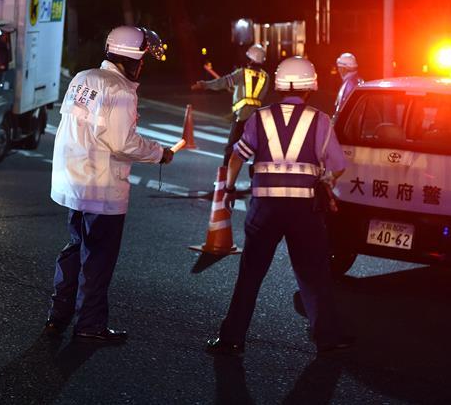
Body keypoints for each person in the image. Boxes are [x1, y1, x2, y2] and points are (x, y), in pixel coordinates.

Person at [205, 56, 355, 356]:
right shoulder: (320, 120)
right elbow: (338, 165)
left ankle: (232, 337)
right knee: (313, 273)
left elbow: (237, 156)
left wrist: (230, 187)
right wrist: (324, 178)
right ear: (310, 86)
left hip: (265, 209)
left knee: (250, 274)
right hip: (305, 211)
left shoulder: (260, 117)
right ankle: (327, 338)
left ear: (278, 84)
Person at [46, 25, 175, 343]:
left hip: (74, 182)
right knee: (98, 259)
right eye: (144, 58)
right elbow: (123, 143)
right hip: (102, 188)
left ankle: (58, 316)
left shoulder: (83, 78)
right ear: (133, 59)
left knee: (75, 250)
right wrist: (160, 153)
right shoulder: (119, 90)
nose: (144, 65)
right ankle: (89, 324)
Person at [191, 44, 270, 165]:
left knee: (231, 148)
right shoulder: (266, 77)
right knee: (256, 149)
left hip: (241, 117)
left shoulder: (242, 73)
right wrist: (237, 90)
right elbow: (254, 96)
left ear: (251, 59)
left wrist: (204, 85)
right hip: (255, 118)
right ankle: (255, 176)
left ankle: (224, 179)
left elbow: (222, 82)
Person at [334, 52, 363, 118]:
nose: (338, 70)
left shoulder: (349, 84)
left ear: (344, 68)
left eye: (340, 67)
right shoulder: (356, 80)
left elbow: (345, 109)